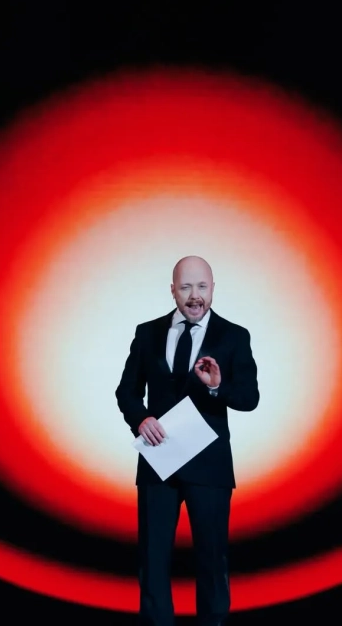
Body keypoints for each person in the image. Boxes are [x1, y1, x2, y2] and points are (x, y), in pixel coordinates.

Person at [115, 255, 260, 625]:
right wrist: (141, 419)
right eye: (185, 287)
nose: (195, 295)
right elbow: (127, 392)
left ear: (212, 289)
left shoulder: (234, 336)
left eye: (202, 286)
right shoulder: (147, 333)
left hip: (209, 468)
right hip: (158, 461)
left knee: (212, 559)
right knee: (152, 559)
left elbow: (249, 398)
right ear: (173, 290)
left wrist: (217, 387)